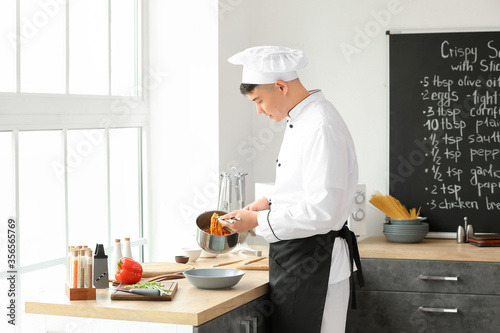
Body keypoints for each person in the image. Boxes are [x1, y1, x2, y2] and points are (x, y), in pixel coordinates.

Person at [221, 46, 363, 333]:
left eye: (259, 100)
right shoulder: (302, 119)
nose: (259, 110)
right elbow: (307, 185)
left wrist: (258, 222)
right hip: (299, 259)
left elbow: (323, 210)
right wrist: (269, 201)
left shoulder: (321, 126)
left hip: (315, 261)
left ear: (281, 86)